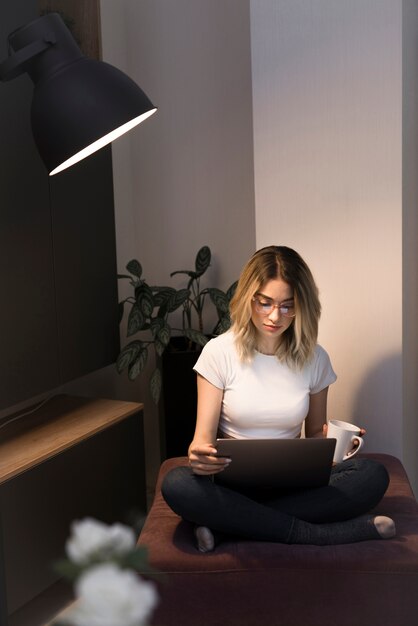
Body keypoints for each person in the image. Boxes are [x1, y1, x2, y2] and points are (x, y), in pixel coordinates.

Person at [162, 245, 395, 551]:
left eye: (288, 305)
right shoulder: (218, 353)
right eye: (265, 303)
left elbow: (314, 434)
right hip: (232, 487)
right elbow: (201, 442)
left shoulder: (315, 358)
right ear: (249, 298)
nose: (276, 316)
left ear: (302, 306)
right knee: (176, 484)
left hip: (292, 487)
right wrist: (199, 457)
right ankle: (318, 534)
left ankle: (227, 529)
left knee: (372, 475)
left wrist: (338, 445)